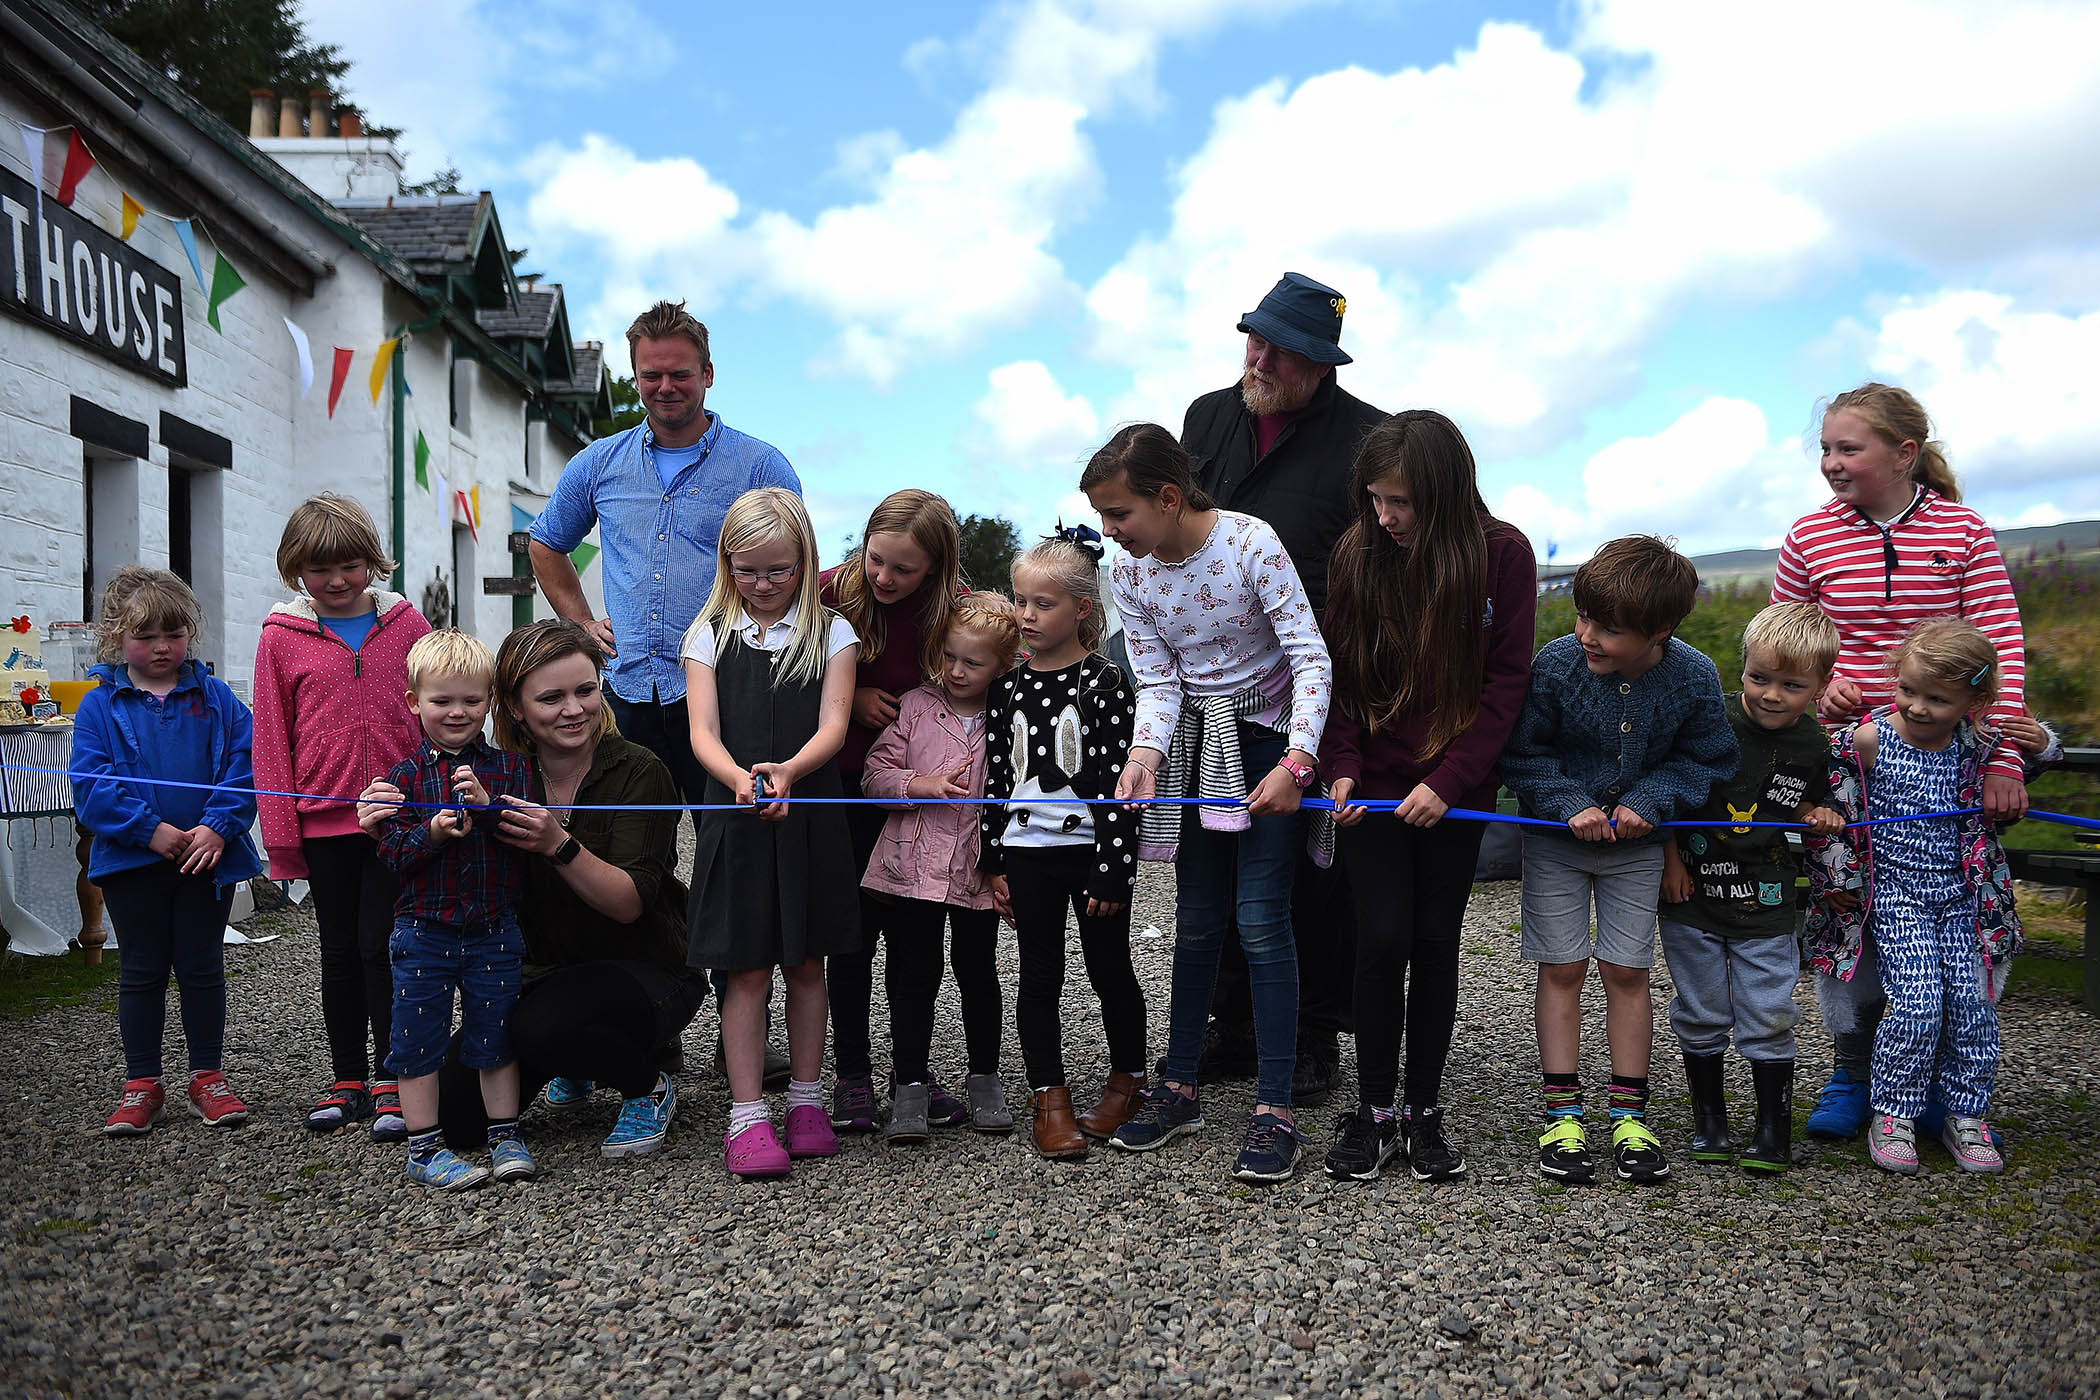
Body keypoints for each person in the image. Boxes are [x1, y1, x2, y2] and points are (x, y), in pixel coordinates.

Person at [528, 300, 800, 1087]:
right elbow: (547, 544)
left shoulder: (759, 466)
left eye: (680, 373)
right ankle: (640, 1024)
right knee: (622, 865)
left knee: (727, 863)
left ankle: (740, 1032)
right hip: (624, 698)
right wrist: (580, 625)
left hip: (724, 698)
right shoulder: (600, 464)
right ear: (634, 377)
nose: (666, 386)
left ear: (707, 375)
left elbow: (792, 562)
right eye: (651, 374)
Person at [1771, 383, 2033, 1142]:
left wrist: (2005, 757)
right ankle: (1856, 1072)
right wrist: (1824, 688)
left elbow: (2002, 650)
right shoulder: (1807, 537)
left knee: (1956, 911)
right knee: (1848, 910)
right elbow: (1785, 639)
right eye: (1824, 448)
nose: (1831, 462)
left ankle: (1950, 1086)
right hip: (1846, 759)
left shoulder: (1965, 533)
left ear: (1904, 453)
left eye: (1848, 448)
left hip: (1948, 762)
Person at [356, 621, 706, 1161]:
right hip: (540, 973)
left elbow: (628, 903)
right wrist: (389, 822)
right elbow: (437, 869)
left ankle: (648, 1083)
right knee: (459, 1119)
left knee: (542, 1028)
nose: (574, 708)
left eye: (585, 690)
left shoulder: (640, 770)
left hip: (645, 966)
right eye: (552, 697)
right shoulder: (499, 776)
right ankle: (577, 1061)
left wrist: (557, 844)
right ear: (515, 708)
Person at [1085, 424, 1333, 1183]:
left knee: (1260, 922)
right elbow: (1157, 679)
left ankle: (1275, 1108)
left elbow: (1308, 653)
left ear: (1167, 498)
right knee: (1195, 924)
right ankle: (1180, 1085)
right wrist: (1144, 754)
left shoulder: (1251, 544)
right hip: (1196, 752)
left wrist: (1299, 760)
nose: (1110, 532)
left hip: (1267, 747)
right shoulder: (1129, 575)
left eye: (1119, 514)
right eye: (1101, 517)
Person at [1180, 272, 1385, 1106]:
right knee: (1224, 849)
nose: (1257, 359)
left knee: (1310, 867)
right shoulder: (1205, 415)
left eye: (1280, 350)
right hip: (1215, 684)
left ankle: (1309, 1038)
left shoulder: (1369, 438)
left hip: (1312, 674)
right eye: (1252, 339)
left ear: (1319, 364)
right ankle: (1234, 1027)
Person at [1318, 411, 1536, 1183]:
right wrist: (1338, 766)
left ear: (1443, 491)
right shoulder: (1358, 554)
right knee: (1379, 939)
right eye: (1375, 499)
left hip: (1458, 791)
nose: (1386, 517)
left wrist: (1448, 782)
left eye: (1401, 502)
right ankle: (1374, 1108)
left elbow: (1507, 683)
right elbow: (1340, 678)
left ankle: (1423, 1108)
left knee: (1436, 942)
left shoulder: (1502, 555)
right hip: (1371, 792)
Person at [1501, 536, 1738, 1187]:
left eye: (1608, 629)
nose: (1587, 636)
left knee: (1628, 971)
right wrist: (1565, 801)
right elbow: (1522, 754)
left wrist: (1652, 800)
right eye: (1583, 617)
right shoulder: (1554, 666)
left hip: (1635, 852)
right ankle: (1563, 1116)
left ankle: (1630, 1117)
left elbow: (1708, 759)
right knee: (1564, 965)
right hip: (1557, 844)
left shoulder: (1692, 676)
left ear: (1659, 630)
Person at [1804, 619, 2058, 1175]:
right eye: (1908, 690)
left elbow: (2032, 759)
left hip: (1964, 898)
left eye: (1937, 699)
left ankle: (1965, 1113)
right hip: (1898, 896)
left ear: (1975, 700)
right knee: (1917, 1005)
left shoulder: (1978, 741)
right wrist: (1833, 874)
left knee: (1973, 1007)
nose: (1917, 707)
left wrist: (2043, 743)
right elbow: (1819, 781)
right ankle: (1891, 1112)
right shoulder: (1871, 738)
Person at [683, 487, 860, 1178]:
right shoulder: (709, 634)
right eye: (747, 569)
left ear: (804, 561)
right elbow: (701, 731)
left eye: (779, 571)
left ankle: (809, 1100)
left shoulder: (833, 632)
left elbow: (835, 726)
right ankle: (748, 1114)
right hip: (737, 820)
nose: (762, 584)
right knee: (747, 967)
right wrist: (738, 778)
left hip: (810, 814)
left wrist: (788, 771)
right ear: (728, 563)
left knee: (808, 962)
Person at [252, 493, 430, 1141]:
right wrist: (281, 835)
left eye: (350, 566)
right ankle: (347, 1078)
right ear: (295, 568)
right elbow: (270, 738)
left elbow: (437, 717)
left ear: (372, 563)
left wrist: (433, 807)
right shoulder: (280, 637)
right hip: (322, 822)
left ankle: (392, 1078)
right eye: (318, 569)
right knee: (337, 951)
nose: (334, 581)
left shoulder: (409, 627)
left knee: (383, 947)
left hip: (397, 822)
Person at [1657, 602, 1845, 1176]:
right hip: (1694, 897)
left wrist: (1821, 812)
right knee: (1701, 1007)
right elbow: (1663, 791)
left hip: (1766, 901)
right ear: (1741, 670)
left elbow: (1813, 798)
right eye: (1759, 678)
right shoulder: (1706, 722)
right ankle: (1709, 1120)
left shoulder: (1815, 745)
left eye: (1791, 685)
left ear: (1820, 686)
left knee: (1767, 1010)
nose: (1770, 694)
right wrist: (1669, 859)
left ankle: (1772, 1130)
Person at [74, 568, 264, 1137]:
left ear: (191, 633)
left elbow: (245, 766)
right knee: (141, 970)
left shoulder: (218, 699)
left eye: (174, 634)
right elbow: (91, 786)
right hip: (134, 864)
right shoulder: (97, 708)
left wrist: (217, 828)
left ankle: (208, 1076)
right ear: (115, 638)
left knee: (203, 968)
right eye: (145, 636)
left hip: (207, 861)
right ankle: (142, 1083)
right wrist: (150, 831)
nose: (161, 647)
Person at [979, 530, 1145, 1161]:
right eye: (1020, 602)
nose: (1026, 616)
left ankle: (1129, 1079)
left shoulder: (1106, 683)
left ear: (1081, 608)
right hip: (1027, 852)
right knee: (1038, 974)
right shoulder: (1007, 688)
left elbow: (1119, 785)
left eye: (1042, 604)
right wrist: (992, 859)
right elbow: (996, 778)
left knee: (1110, 969)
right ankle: (1049, 1098)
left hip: (1091, 852)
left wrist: (1113, 870)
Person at [820, 490, 963, 1132]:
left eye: (903, 569)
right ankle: (851, 1074)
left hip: (920, 799)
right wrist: (852, 692)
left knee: (915, 939)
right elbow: (780, 678)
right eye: (876, 560)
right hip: (843, 789)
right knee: (849, 938)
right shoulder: (825, 595)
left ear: (933, 569)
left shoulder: (953, 611)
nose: (884, 578)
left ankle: (914, 1071)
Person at [372, 630, 536, 1191]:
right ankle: (424, 1149)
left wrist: (488, 811)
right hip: (423, 931)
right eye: (442, 701)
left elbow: (523, 841)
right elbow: (392, 856)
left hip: (494, 927)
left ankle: (505, 1134)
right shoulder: (401, 779)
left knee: (495, 1035)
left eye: (471, 700)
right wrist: (432, 833)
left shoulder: (513, 769)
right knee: (418, 1040)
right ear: (415, 702)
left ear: (490, 702)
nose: (458, 712)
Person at [862, 592, 1020, 1144]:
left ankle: (985, 1081)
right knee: (915, 976)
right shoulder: (915, 707)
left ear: (1005, 664)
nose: (955, 671)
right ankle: (908, 1087)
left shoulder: (1011, 716)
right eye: (948, 657)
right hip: (913, 868)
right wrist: (915, 785)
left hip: (977, 870)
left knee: (979, 974)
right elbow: (873, 773)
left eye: (971, 663)